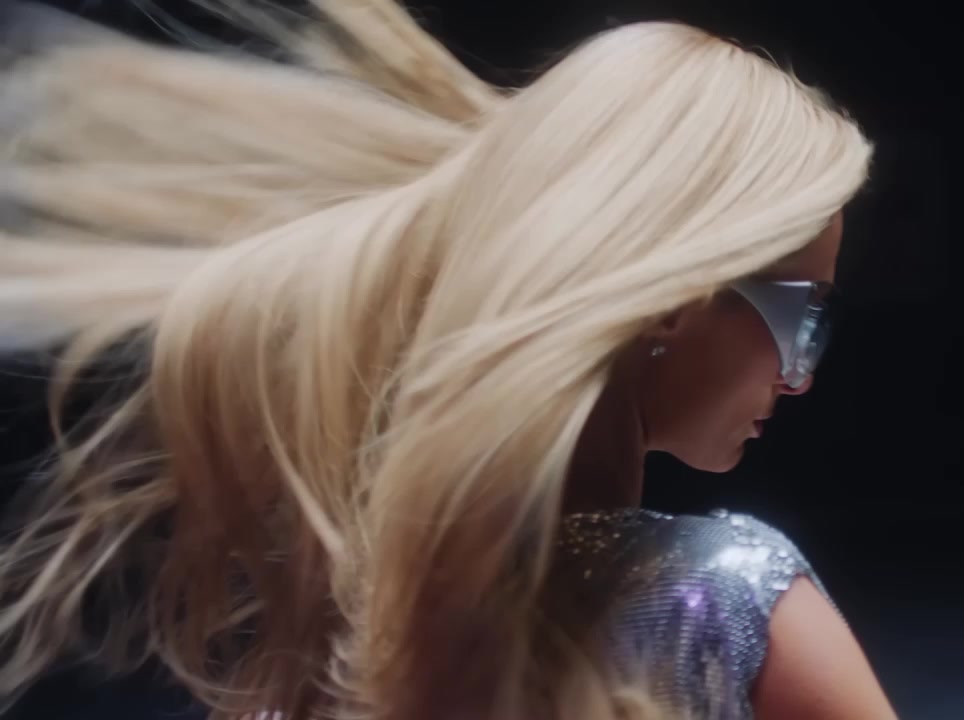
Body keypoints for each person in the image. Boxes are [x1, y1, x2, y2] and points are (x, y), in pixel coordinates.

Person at [0, 2, 896, 719]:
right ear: (674, 298)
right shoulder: (727, 595)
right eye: (800, 315)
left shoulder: (337, 644)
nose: (800, 376)